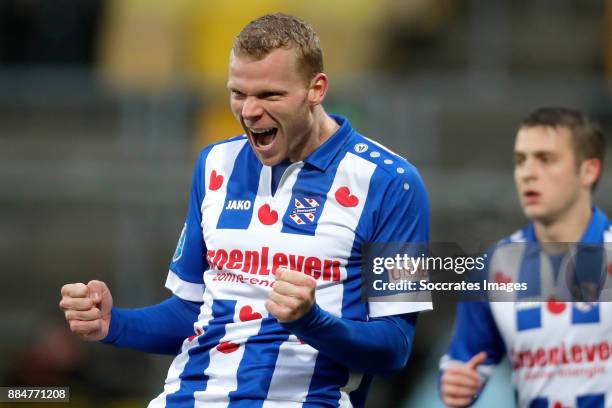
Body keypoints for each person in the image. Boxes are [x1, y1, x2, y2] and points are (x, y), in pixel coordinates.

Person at [59, 13, 431, 407]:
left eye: (269, 95)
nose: (249, 112)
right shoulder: (215, 164)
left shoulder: (393, 183)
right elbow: (193, 312)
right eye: (238, 93)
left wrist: (311, 321)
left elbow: (396, 347)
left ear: (316, 89)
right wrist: (113, 324)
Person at [439, 107, 611, 408]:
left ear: (589, 171)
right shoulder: (494, 267)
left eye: (546, 159)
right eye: (520, 161)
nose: (527, 173)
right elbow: (462, 363)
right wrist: (454, 384)